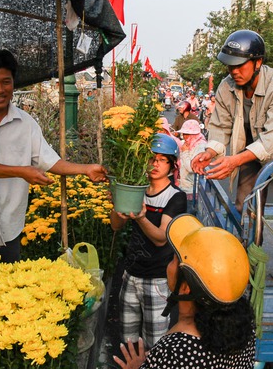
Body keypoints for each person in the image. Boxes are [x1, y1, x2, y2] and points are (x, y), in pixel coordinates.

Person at [0, 50, 107, 268]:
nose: (0, 90)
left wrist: (86, 168)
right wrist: (21, 171)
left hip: (8, 224)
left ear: (14, 83)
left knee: (8, 293)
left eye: (6, 82)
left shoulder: (26, 122)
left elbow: (49, 161)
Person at [191, 29, 273, 250]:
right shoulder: (226, 86)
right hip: (249, 155)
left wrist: (233, 161)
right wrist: (208, 153)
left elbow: (271, 139)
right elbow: (219, 126)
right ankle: (249, 259)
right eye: (230, 66)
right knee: (245, 209)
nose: (234, 71)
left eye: (240, 65)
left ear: (257, 62)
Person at [114, 214, 256, 369]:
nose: (169, 265)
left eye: (173, 259)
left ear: (185, 287)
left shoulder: (173, 353)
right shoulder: (245, 329)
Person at [110, 134, 187, 348]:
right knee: (127, 341)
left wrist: (141, 217)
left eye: (163, 159)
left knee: (156, 344)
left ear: (172, 166)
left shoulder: (175, 197)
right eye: (152, 158)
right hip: (131, 275)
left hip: (157, 281)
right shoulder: (136, 189)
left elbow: (162, 238)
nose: (155, 164)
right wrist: (119, 207)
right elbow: (115, 226)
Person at [177, 120, 206, 198]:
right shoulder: (188, 144)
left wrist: (185, 152)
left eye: (187, 134)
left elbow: (192, 168)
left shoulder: (200, 147)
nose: (184, 136)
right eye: (184, 134)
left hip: (193, 189)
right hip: (185, 186)